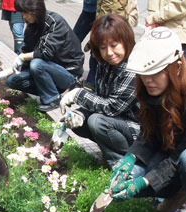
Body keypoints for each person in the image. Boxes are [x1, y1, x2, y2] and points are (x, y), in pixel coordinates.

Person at [109, 27, 186, 212]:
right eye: (143, 73)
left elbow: (179, 157)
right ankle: (170, 196)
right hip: (175, 155)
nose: (148, 80)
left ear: (176, 66)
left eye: (156, 72)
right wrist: (130, 157)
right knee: (137, 174)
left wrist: (147, 181)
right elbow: (148, 134)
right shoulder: (154, 90)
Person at [59, 14, 140, 167]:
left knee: (97, 122)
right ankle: (112, 153)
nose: (109, 52)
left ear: (126, 41)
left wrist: (78, 94)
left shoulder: (133, 67)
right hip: (119, 121)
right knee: (79, 122)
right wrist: (80, 113)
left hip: (139, 132)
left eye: (114, 45)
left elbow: (112, 107)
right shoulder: (106, 64)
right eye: (103, 47)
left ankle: (121, 164)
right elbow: (99, 97)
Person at [0, 0, 84, 112]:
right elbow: (26, 54)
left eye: (25, 13)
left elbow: (45, 53)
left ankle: (53, 99)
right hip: (49, 70)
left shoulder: (55, 22)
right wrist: (2, 73)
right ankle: (48, 91)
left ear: (34, 10)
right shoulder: (32, 26)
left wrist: (23, 57)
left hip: (68, 74)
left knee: (36, 63)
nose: (23, 17)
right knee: (12, 81)